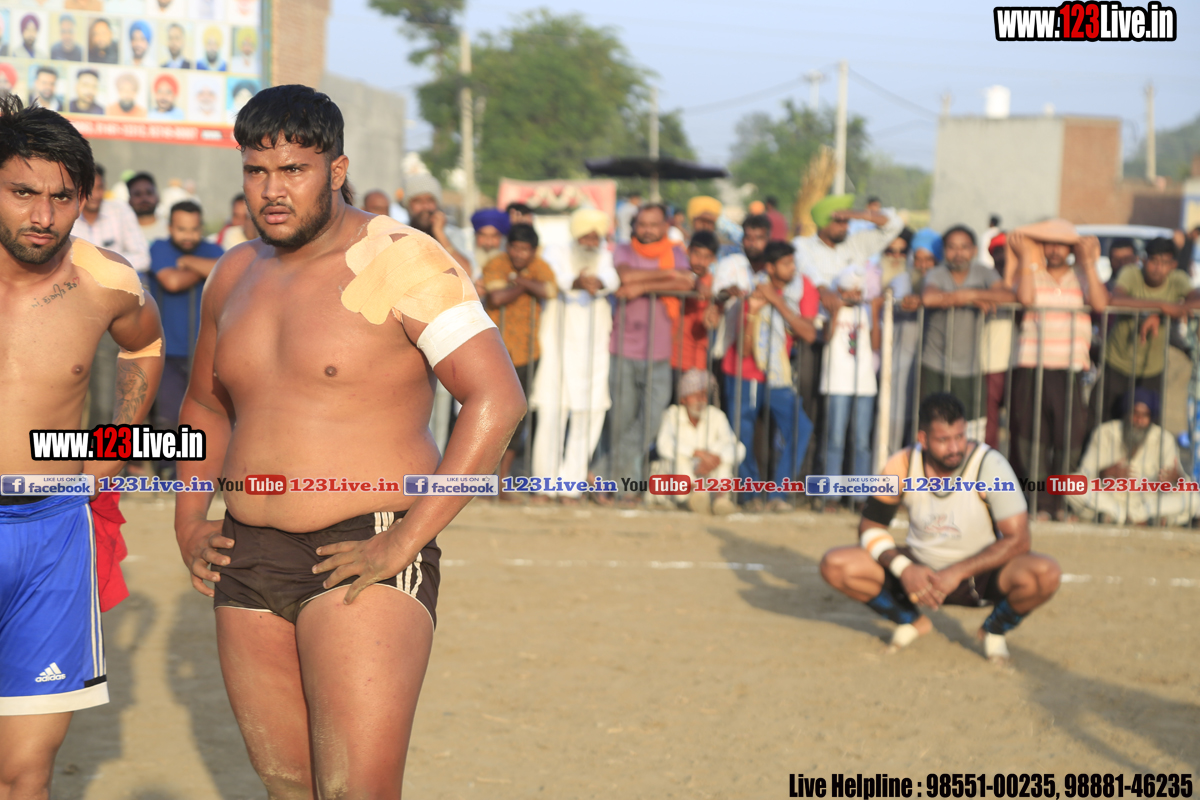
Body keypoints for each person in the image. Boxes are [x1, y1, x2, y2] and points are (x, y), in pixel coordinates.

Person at [173, 85, 524, 798]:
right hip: (247, 553)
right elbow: (205, 405)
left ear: (336, 170)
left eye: (292, 170)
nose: (272, 191)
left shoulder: (402, 259)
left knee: (355, 791)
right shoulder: (234, 273)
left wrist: (406, 540)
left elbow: (497, 398)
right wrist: (187, 518)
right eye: (256, 171)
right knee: (288, 786)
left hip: (365, 544)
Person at [0, 96, 164, 800]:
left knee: (25, 773)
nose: (43, 216)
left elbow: (145, 345)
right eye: (22, 193)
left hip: (53, 536)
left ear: (85, 201)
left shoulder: (106, 280)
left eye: (62, 197)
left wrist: (114, 445)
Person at [819, 393, 1060, 663]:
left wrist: (957, 572)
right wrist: (904, 569)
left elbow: (1019, 540)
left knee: (1045, 573)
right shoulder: (903, 463)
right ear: (923, 439)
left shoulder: (990, 465)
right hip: (918, 570)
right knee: (836, 564)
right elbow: (870, 527)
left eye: (960, 436)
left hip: (978, 575)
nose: (955, 447)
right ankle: (910, 621)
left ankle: (994, 629)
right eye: (944, 440)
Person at [1008, 219, 1108, 520]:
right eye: (1048, 243)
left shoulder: (1083, 275)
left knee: (1069, 438)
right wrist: (1028, 258)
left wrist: (1088, 262)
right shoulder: (1031, 273)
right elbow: (1025, 299)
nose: (1054, 250)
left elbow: (1100, 304)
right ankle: (1039, 504)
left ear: (1070, 248)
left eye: (1061, 244)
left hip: (1070, 366)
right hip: (1032, 364)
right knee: (1032, 437)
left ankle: (1063, 502)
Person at [600, 203, 695, 501]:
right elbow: (626, 277)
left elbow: (688, 281)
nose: (648, 230)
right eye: (642, 224)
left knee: (651, 421)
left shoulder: (676, 251)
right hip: (623, 348)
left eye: (654, 224)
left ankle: (600, 472)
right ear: (634, 226)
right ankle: (625, 489)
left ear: (665, 226)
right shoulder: (623, 250)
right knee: (621, 421)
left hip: (660, 350)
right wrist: (667, 277)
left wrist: (642, 287)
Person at [531, 208, 618, 503]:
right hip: (557, 348)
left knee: (589, 414)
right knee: (551, 414)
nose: (591, 242)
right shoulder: (557, 250)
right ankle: (544, 485)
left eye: (596, 237)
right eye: (586, 236)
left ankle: (570, 486)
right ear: (576, 235)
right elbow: (556, 274)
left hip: (592, 352)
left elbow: (612, 278)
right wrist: (578, 282)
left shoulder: (605, 256)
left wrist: (597, 282)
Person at [722, 240, 817, 511]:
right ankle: (750, 494)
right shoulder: (751, 288)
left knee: (801, 427)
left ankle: (779, 493)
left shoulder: (800, 289)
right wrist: (755, 309)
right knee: (742, 434)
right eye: (786, 264)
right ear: (771, 267)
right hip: (744, 371)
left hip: (777, 375)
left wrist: (777, 301)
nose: (792, 268)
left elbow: (809, 334)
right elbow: (743, 346)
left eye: (793, 262)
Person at [72, 164, 152, 432]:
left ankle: (105, 451)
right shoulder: (66, 211)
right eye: (89, 188)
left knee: (108, 399)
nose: (95, 194)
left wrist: (97, 268)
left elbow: (142, 257)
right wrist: (112, 265)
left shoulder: (119, 211)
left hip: (112, 311)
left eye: (100, 188)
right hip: (72, 313)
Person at [148, 200, 221, 478]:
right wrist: (204, 270)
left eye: (193, 229)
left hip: (205, 349)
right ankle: (168, 470)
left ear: (201, 228)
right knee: (168, 414)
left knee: (206, 413)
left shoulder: (214, 250)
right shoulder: (159, 247)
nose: (188, 236)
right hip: (167, 349)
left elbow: (224, 267)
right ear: (170, 228)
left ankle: (203, 470)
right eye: (181, 229)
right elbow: (172, 282)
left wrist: (188, 263)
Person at [483, 223, 555, 494]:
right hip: (494, 351)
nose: (519, 254)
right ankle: (482, 481)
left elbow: (550, 290)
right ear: (508, 246)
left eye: (525, 249)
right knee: (488, 415)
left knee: (516, 417)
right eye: (515, 247)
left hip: (526, 352)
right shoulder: (496, 263)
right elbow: (497, 296)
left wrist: (519, 281)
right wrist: (528, 285)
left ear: (534, 250)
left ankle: (501, 482)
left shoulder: (540, 266)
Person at [919, 225, 1014, 431]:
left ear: (974, 250)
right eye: (952, 247)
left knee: (974, 428)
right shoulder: (937, 273)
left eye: (964, 247)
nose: (958, 253)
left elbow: (1008, 296)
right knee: (932, 426)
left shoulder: (983, 273)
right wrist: (971, 298)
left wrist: (970, 295)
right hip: (935, 364)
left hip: (971, 367)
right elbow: (929, 298)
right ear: (944, 250)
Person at [1095, 237, 1197, 424]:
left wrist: (1159, 315)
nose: (1158, 268)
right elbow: (1115, 299)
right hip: (1117, 362)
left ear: (1173, 265)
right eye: (1154, 261)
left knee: (1147, 425)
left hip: (1152, 368)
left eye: (1164, 263)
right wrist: (1163, 306)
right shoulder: (1131, 273)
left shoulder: (1178, 279)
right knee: (1104, 421)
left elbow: (1196, 300)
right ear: (1143, 260)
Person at [1068, 390, 1200, 526]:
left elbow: (1180, 483)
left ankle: (1119, 518)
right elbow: (1084, 474)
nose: (1139, 420)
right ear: (1126, 413)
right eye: (1135, 413)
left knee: (1193, 498)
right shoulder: (1104, 433)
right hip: (1109, 499)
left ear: (1151, 417)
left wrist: (1177, 477)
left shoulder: (1164, 439)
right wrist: (1105, 472)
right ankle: (1130, 518)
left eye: (1145, 415)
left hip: (1147, 503)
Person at [655, 369, 741, 515]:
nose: (701, 400)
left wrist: (716, 458)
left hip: (708, 480)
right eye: (695, 395)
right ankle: (693, 495)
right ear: (683, 399)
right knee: (679, 458)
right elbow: (663, 446)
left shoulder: (716, 415)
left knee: (725, 457)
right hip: (678, 485)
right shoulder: (671, 414)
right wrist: (696, 453)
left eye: (703, 395)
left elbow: (738, 448)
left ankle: (720, 499)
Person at [403, 173, 472, 273]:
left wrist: (439, 233)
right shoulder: (400, 234)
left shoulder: (453, 234)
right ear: (408, 205)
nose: (425, 207)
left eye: (430, 200)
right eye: (418, 201)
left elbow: (467, 272)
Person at [671, 230, 717, 374]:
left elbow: (712, 321)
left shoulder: (714, 285)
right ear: (688, 251)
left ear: (713, 259)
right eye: (697, 254)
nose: (700, 261)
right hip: (669, 356)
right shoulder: (679, 275)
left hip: (696, 361)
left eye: (707, 256)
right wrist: (696, 282)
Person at [127, 171, 167, 245]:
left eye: (149, 193)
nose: (144, 198)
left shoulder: (171, 230)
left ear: (158, 197)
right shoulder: (122, 232)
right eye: (138, 194)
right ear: (129, 201)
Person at [469, 207, 509, 280]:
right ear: (476, 235)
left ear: (502, 238)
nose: (488, 243)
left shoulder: (511, 262)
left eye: (494, 236)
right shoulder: (464, 254)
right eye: (483, 236)